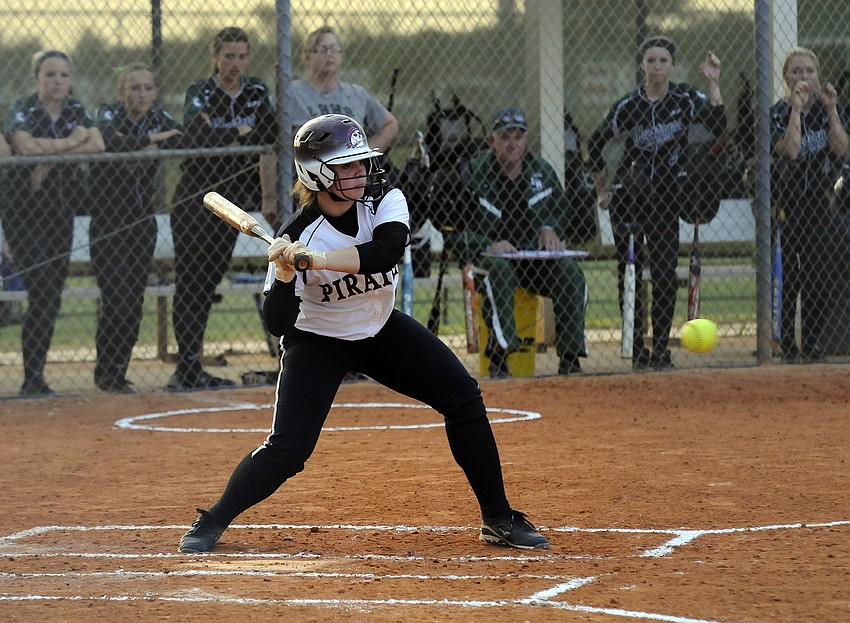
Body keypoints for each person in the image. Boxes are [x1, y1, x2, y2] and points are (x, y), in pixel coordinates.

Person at [177, 114, 549, 553]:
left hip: (380, 328)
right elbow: (278, 324)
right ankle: (213, 519)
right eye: (347, 166)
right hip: (317, 341)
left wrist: (316, 261)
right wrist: (281, 273)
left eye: (361, 163)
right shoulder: (295, 235)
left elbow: (385, 251)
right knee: (288, 451)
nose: (360, 173)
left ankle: (498, 518)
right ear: (318, 173)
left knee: (463, 398)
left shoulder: (384, 199)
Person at [588, 36, 726, 370]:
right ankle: (637, 349)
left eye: (663, 60)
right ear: (642, 65)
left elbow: (719, 126)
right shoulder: (629, 105)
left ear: (672, 65)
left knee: (664, 275)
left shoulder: (684, 99)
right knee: (630, 275)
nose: (657, 67)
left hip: (666, 199)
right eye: (651, 61)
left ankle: (661, 349)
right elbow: (594, 145)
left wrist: (713, 83)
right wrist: (602, 190)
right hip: (629, 199)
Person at [167, 27, 278, 390]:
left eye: (241, 56)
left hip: (231, 202)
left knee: (210, 279)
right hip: (195, 196)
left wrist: (227, 134)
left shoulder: (256, 90)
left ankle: (192, 366)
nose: (235, 64)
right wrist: (243, 134)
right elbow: (197, 138)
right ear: (215, 56)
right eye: (228, 56)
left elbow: (270, 132)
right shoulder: (200, 92)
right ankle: (185, 367)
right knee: (191, 282)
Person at [445, 107, 589, 378]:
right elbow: (454, 229)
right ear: (492, 141)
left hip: (533, 259)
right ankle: (500, 355)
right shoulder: (472, 174)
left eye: (518, 137)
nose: (513, 143)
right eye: (506, 137)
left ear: (526, 140)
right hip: (491, 259)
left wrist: (550, 229)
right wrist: (487, 245)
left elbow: (561, 212)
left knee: (571, 272)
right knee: (500, 271)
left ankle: (570, 358)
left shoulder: (542, 171)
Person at [2, 49, 105, 396]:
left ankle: (35, 378)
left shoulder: (76, 107)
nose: (57, 81)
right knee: (42, 287)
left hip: (61, 214)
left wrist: (51, 157)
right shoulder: (24, 108)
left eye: (63, 75)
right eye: (49, 75)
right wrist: (72, 142)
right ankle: (32, 377)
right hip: (24, 214)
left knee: (50, 296)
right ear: (37, 79)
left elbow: (99, 144)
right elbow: (25, 148)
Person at [89, 63, 188, 393]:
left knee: (133, 303)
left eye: (147, 88)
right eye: (134, 87)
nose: (141, 94)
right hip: (108, 223)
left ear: (154, 93)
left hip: (142, 222)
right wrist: (153, 140)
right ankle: (105, 370)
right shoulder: (108, 114)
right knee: (116, 300)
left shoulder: (159, 117)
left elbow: (185, 139)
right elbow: (111, 142)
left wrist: (152, 141)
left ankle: (117, 371)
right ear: (121, 92)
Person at [771, 48, 849, 363]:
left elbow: (842, 149)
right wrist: (795, 111)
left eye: (809, 71)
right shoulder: (777, 111)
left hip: (820, 204)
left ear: (818, 75)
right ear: (786, 78)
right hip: (788, 204)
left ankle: (813, 341)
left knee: (820, 276)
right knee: (791, 276)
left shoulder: (829, 108)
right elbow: (790, 150)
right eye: (796, 72)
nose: (804, 77)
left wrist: (831, 111)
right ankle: (789, 344)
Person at [290, 25, 399, 153]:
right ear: (307, 57)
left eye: (334, 49)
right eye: (322, 49)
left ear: (341, 56)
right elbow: (268, 133)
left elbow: (391, 124)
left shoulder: (356, 94)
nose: (329, 54)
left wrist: (365, 153)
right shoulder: (292, 92)